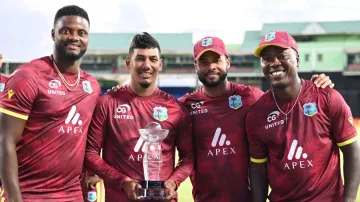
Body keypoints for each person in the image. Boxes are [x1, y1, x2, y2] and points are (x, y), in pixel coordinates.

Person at [178, 36, 335, 202]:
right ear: (196, 66)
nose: (211, 66)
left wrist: (316, 88)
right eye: (204, 62)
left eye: (217, 60)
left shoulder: (252, 97)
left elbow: (290, 104)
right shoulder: (185, 107)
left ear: (228, 63)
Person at [0, 5, 101, 201]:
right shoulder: (28, 76)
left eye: (81, 33)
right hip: (29, 194)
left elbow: (93, 140)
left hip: (73, 195)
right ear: (53, 34)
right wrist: (14, 198)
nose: (74, 37)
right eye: (66, 31)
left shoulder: (92, 86)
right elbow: (5, 140)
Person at [246, 31, 360, 202]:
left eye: (282, 56)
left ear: (297, 60)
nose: (274, 63)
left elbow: (352, 150)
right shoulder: (257, 114)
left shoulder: (327, 97)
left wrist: (349, 200)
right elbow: (258, 169)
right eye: (267, 59)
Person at [84, 32, 194, 202]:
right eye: (140, 58)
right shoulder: (107, 103)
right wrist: (123, 182)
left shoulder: (176, 108)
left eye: (153, 59)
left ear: (160, 64)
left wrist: (173, 182)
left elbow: (188, 157)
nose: (147, 65)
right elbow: (90, 153)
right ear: (129, 63)